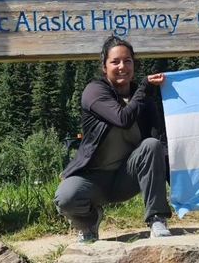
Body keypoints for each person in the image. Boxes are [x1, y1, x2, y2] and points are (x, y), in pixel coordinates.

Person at [55, 35, 172, 242]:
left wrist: (180, 187)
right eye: (115, 61)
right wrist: (144, 88)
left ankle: (157, 219)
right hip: (94, 178)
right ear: (104, 66)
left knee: (151, 145)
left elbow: (159, 145)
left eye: (127, 61)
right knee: (66, 198)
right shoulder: (94, 92)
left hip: (127, 177)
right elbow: (122, 118)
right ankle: (89, 222)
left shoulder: (143, 98)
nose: (122, 67)